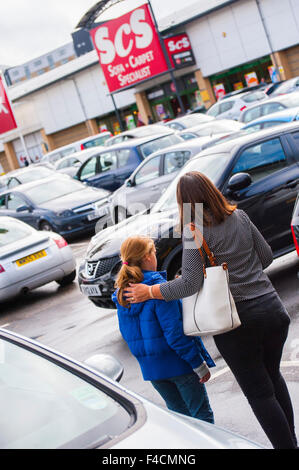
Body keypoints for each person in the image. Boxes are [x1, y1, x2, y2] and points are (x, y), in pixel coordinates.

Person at [125, 171, 298, 449]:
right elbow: (265, 257)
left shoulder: (193, 231)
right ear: (212, 191)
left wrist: (151, 291)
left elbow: (190, 283)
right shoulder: (240, 217)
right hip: (273, 311)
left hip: (238, 324)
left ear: (186, 203)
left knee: (260, 394)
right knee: (273, 377)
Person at [112, 235, 215, 424]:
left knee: (182, 420)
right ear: (148, 257)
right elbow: (175, 334)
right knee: (202, 418)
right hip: (179, 365)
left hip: (153, 371)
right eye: (154, 252)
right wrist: (198, 364)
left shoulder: (122, 295)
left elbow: (129, 335)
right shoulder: (158, 289)